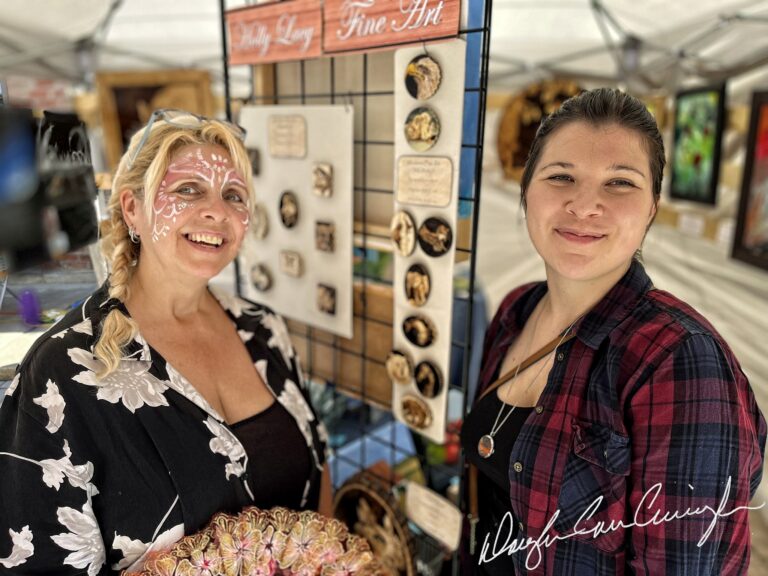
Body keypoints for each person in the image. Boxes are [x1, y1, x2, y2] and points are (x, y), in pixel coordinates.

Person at [0, 109, 331, 575]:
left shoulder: (264, 328)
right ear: (133, 209)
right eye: (188, 189)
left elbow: (319, 472)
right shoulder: (60, 373)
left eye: (233, 195)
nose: (217, 211)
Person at [460, 88, 766, 575]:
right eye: (561, 176)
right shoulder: (517, 308)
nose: (584, 205)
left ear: (651, 208)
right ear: (526, 189)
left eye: (620, 182)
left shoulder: (680, 361)